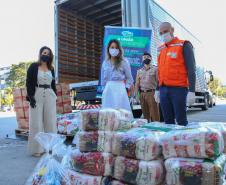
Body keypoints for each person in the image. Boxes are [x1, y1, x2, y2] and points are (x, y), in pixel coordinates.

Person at [155, 22, 196, 126]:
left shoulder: (184, 45)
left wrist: (192, 91)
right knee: (168, 122)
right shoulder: (161, 49)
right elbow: (160, 70)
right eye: (161, 33)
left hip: (178, 90)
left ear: (172, 30)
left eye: (165, 31)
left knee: (181, 121)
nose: (163, 34)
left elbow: (191, 69)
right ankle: (170, 142)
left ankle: (183, 142)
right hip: (163, 90)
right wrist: (157, 89)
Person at [26, 46, 57, 156]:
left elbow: (53, 84)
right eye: (44, 53)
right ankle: (37, 149)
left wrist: (55, 95)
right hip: (37, 94)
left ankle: (50, 148)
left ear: (50, 56)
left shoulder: (51, 69)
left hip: (49, 94)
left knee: (51, 122)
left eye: (48, 54)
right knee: (36, 123)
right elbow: (29, 82)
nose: (46, 55)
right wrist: (31, 97)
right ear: (40, 54)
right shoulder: (33, 66)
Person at [101, 39, 134, 112]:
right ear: (108, 49)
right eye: (112, 47)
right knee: (108, 112)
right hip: (108, 89)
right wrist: (104, 90)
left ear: (119, 50)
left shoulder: (124, 62)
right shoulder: (105, 63)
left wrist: (126, 88)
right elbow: (103, 80)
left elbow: (130, 78)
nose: (114, 49)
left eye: (116, 48)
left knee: (121, 112)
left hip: (120, 89)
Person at [135, 52, 160, 122]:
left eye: (147, 57)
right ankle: (147, 130)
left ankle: (156, 129)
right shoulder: (139, 71)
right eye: (144, 57)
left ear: (151, 58)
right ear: (142, 59)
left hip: (152, 93)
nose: (145, 58)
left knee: (154, 114)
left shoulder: (155, 69)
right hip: (142, 94)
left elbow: (159, 81)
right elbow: (137, 83)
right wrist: (136, 95)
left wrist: (158, 92)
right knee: (145, 115)